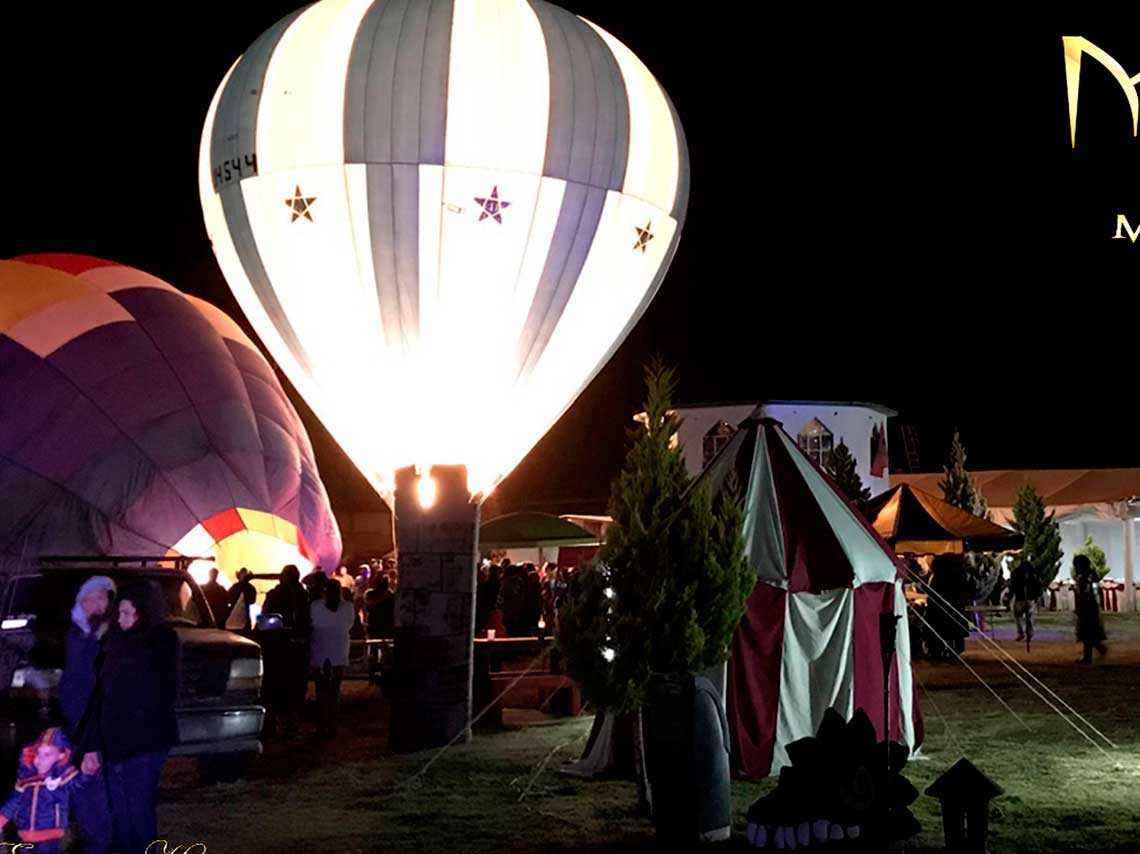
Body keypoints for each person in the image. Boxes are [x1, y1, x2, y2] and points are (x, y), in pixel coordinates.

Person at [80, 583, 179, 854]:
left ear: (144, 613)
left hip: (144, 740)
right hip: (115, 741)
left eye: (129, 614)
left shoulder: (160, 641)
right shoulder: (114, 643)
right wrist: (92, 745)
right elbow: (102, 697)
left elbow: (157, 692)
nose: (122, 620)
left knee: (138, 810)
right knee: (120, 813)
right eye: (120, 613)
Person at [59, 576, 115, 854]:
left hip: (97, 730)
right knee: (87, 793)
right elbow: (73, 683)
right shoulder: (77, 634)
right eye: (91, 597)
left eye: (103, 597)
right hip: (78, 727)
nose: (97, 603)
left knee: (97, 795)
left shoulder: (108, 636)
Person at [0, 728, 98, 854]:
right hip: (24, 835)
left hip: (48, 836)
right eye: (37, 754)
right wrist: (1, 820)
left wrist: (87, 773)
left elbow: (78, 784)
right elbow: (13, 803)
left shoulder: (61, 778)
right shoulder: (26, 780)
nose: (40, 759)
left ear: (61, 755)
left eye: (47, 755)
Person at [262, 566, 312, 737]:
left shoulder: (276, 595)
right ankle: (289, 723)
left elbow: (265, 619)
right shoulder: (304, 596)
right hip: (297, 647)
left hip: (277, 647)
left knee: (274, 687)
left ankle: (272, 724)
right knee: (295, 687)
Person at [310, 579, 355, 738]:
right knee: (334, 691)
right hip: (339, 650)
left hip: (320, 650)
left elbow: (312, 624)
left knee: (321, 690)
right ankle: (332, 725)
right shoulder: (348, 607)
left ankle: (322, 725)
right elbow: (350, 625)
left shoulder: (315, 606)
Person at [926, 554, 970, 660]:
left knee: (941, 630)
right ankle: (952, 650)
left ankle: (938, 650)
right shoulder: (960, 573)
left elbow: (932, 593)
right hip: (955, 607)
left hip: (939, 609)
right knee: (953, 630)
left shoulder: (938, 576)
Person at [1074, 554, 1108, 664]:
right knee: (1089, 632)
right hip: (1092, 607)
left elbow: (1085, 594)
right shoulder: (1092, 576)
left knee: (1087, 632)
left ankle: (1092, 653)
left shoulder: (1085, 578)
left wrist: (1081, 608)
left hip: (1088, 608)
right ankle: (1091, 653)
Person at [1009, 559, 1043, 643]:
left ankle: (1021, 632)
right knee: (1029, 617)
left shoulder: (1016, 572)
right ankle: (1029, 632)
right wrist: (1037, 596)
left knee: (1018, 617)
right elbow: (1039, 585)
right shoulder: (1034, 574)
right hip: (1030, 599)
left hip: (1020, 599)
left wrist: (1010, 595)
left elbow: (1012, 586)